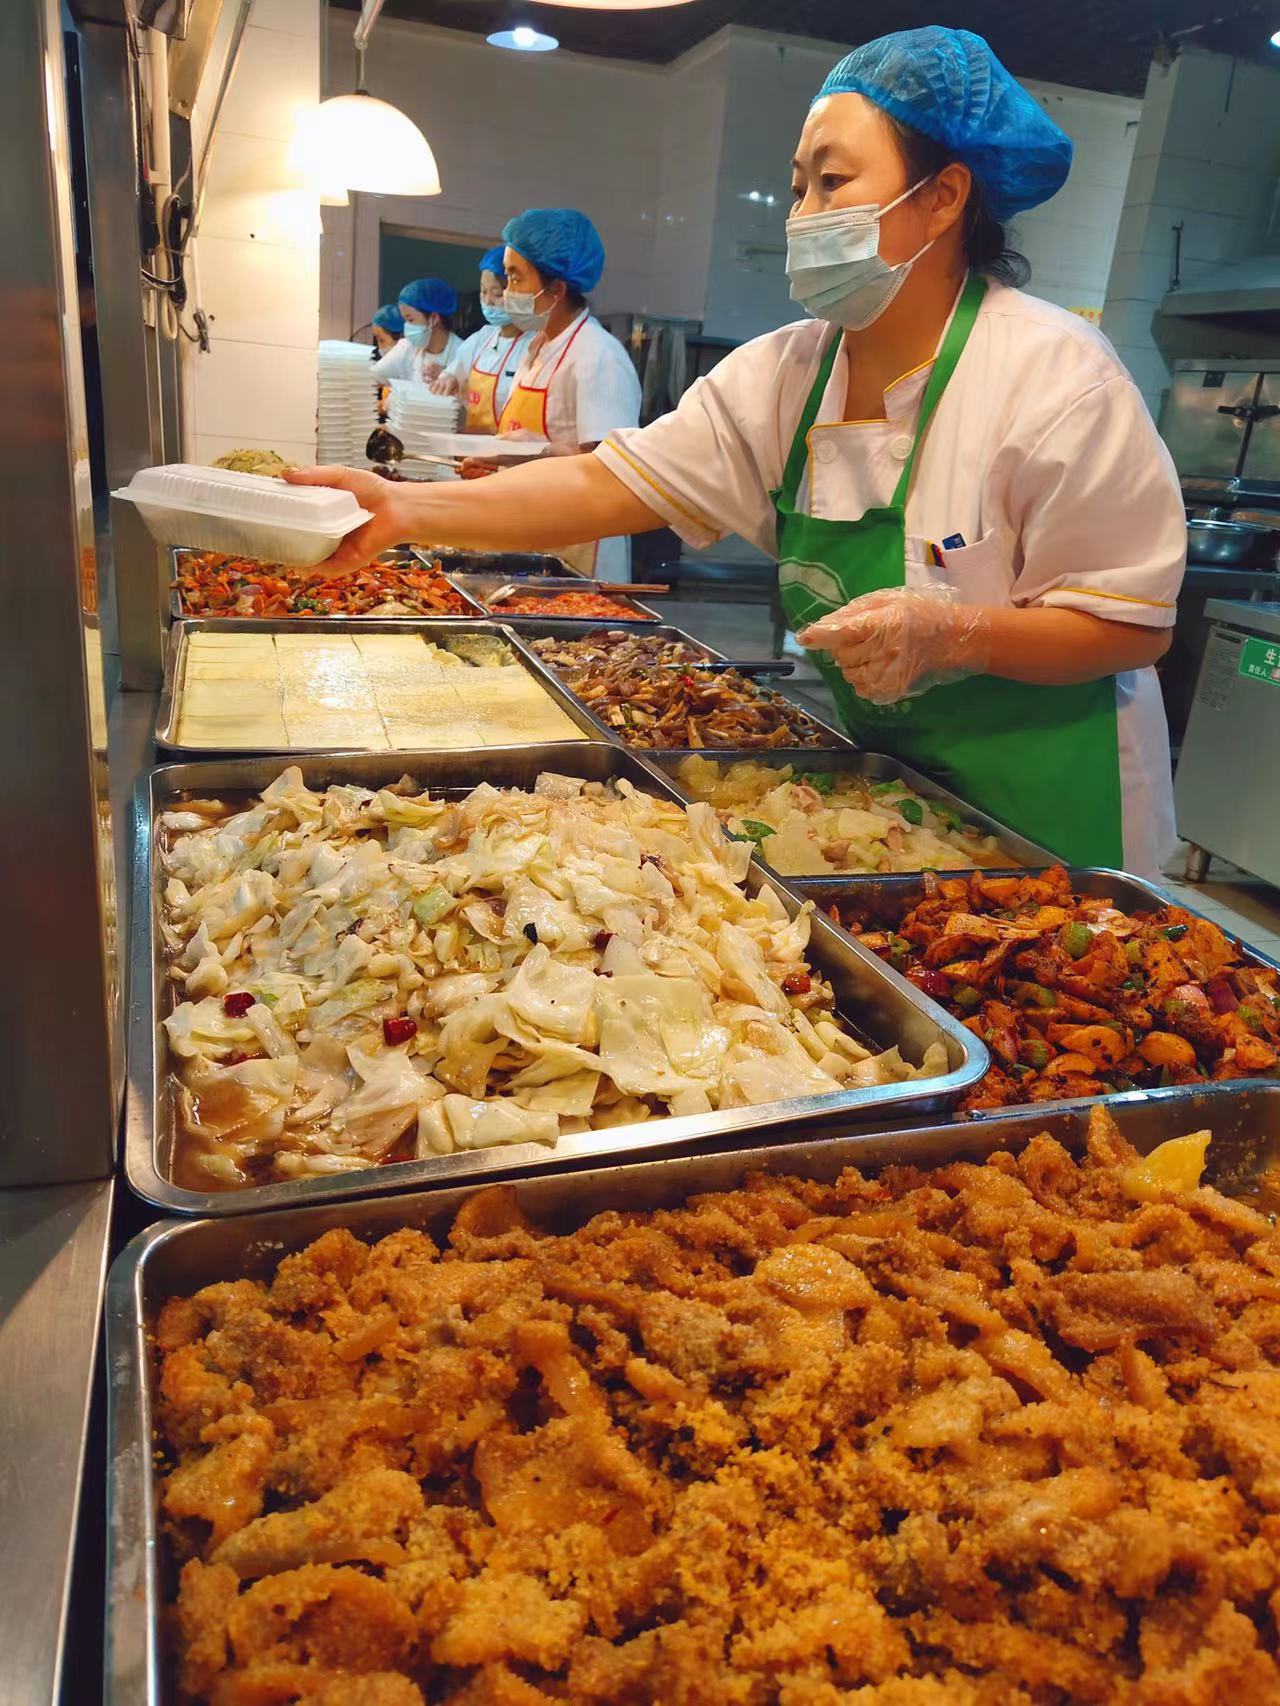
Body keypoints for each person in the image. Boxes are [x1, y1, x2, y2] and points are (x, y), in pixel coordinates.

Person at [288, 28, 1185, 874]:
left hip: (1054, 812)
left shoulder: (1056, 377)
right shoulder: (788, 372)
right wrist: (404, 508)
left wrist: (955, 634)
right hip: (898, 805)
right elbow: (606, 482)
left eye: (832, 183)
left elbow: (1133, 625)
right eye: (799, 189)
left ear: (943, 198)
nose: (804, 215)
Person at [458, 209, 641, 578]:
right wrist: (501, 462)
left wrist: (531, 453)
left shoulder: (597, 356)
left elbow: (610, 468)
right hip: (533, 532)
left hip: (578, 548)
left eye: (515, 278)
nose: (506, 293)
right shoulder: (538, 346)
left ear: (556, 290)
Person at [429, 246, 531, 431]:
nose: (488, 301)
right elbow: (455, 370)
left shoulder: (534, 344)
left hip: (511, 445)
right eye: (483, 291)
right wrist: (448, 378)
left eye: (497, 294)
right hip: (472, 442)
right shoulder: (483, 337)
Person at [373, 278, 461, 384]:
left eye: (410, 320)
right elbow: (373, 376)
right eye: (404, 320)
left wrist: (446, 376)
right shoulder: (407, 347)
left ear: (434, 318)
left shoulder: (462, 352)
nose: (406, 327)